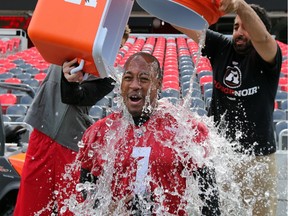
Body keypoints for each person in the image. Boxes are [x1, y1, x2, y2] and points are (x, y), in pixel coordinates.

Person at [173, 0, 282, 215]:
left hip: (258, 159)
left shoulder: (268, 56)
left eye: (246, 27)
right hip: (222, 155)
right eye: (236, 27)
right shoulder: (222, 47)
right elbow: (181, 20)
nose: (239, 32)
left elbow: (262, 38)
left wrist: (240, 6)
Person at [78, 52, 220, 215]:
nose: (135, 85)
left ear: (157, 84)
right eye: (128, 78)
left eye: (144, 79)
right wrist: (108, 208)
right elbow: (85, 190)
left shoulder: (185, 130)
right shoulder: (101, 131)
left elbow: (210, 200)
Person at [14, 26, 131, 216]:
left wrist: (70, 82)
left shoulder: (109, 79)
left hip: (72, 145)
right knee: (29, 206)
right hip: (42, 134)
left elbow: (76, 97)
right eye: (112, 44)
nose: (113, 51)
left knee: (69, 209)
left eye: (118, 47)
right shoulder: (67, 46)